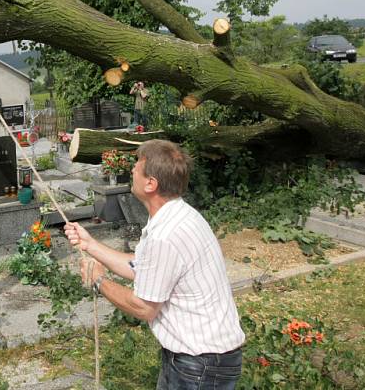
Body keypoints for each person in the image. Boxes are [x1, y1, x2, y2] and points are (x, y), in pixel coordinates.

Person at [65, 140, 244, 390]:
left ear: (151, 184)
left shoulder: (166, 235)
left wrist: (99, 281)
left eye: (137, 168)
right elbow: (143, 268)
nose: (132, 171)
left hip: (200, 364)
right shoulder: (178, 215)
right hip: (200, 360)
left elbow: (144, 307)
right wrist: (90, 244)